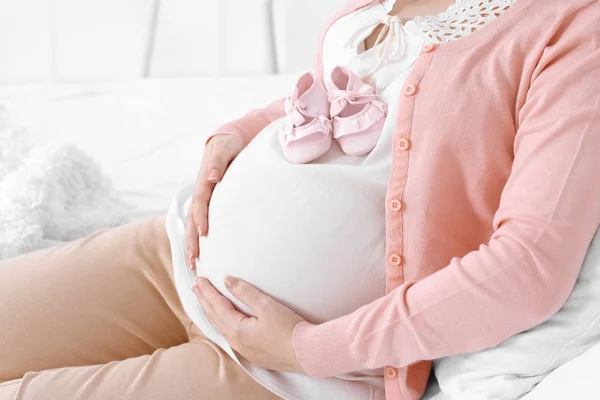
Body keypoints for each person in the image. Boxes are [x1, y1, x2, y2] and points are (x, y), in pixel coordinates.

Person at [1, 0, 599, 399]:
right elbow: (346, 108)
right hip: (174, 256)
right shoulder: (379, 7)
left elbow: (529, 266)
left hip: (282, 373)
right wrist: (236, 132)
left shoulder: (571, 29)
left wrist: (308, 349)